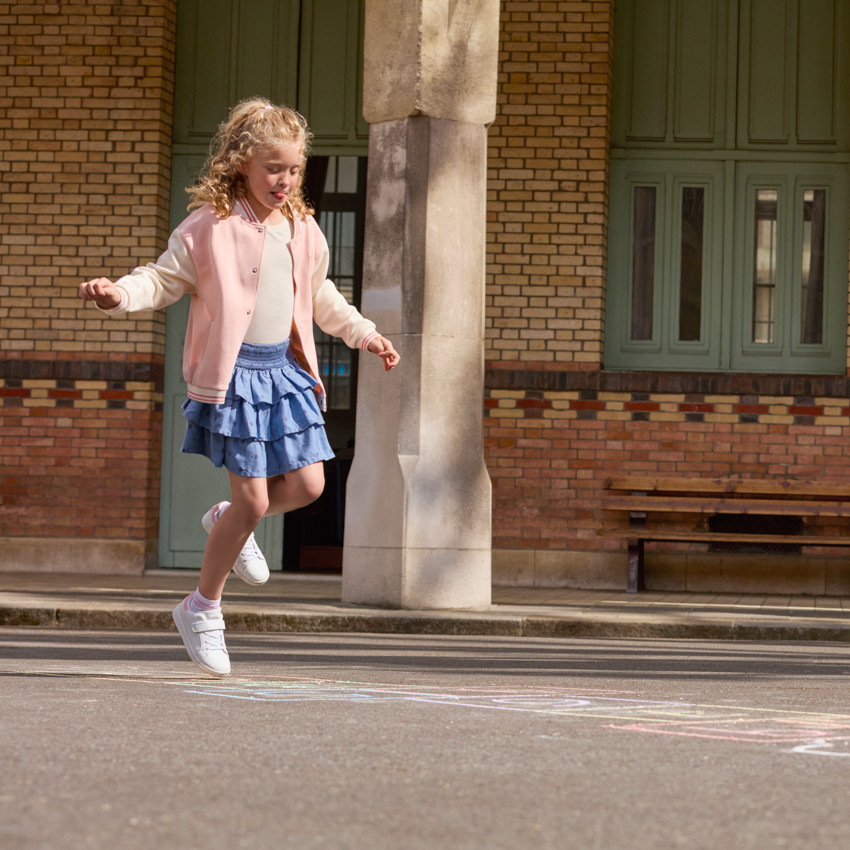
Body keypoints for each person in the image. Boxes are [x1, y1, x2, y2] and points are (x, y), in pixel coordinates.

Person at [80, 98, 400, 677]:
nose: (285, 180)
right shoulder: (210, 226)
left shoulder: (303, 229)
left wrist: (365, 333)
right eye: (273, 168)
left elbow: (321, 296)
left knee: (308, 484)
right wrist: (119, 295)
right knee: (254, 501)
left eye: (294, 169)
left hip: (285, 373)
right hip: (234, 378)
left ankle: (228, 516)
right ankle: (201, 608)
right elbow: (162, 277)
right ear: (241, 164)